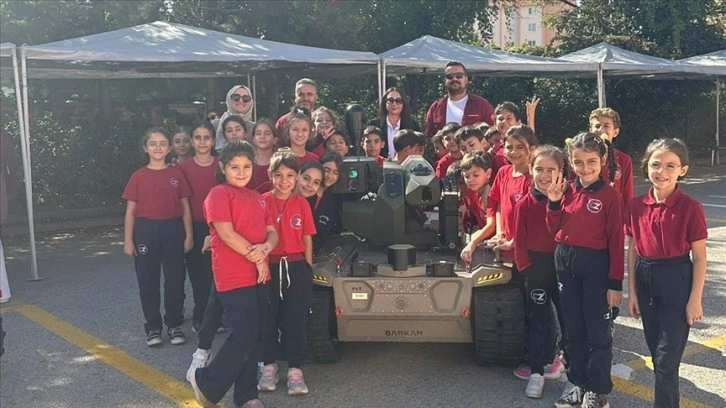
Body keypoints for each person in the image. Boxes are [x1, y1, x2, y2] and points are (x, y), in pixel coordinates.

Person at [189, 140, 278, 408]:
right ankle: (206, 381)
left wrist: (265, 249)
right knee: (244, 334)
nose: (241, 172)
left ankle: (247, 395)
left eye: (246, 166)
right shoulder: (218, 194)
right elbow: (226, 234)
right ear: (223, 168)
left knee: (256, 336)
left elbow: (272, 232)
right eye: (235, 167)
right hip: (233, 275)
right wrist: (258, 258)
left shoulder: (258, 198)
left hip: (259, 276)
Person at [626, 138, 707, 408]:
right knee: (656, 355)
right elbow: (633, 249)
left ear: (683, 170)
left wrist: (695, 299)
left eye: (670, 166)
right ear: (646, 166)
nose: (662, 171)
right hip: (646, 278)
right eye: (656, 164)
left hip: (677, 279)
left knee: (666, 360)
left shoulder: (690, 207)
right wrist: (632, 292)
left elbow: (699, 256)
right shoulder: (635, 205)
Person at [546, 132, 624, 408]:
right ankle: (577, 382)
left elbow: (616, 242)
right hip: (565, 261)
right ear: (570, 161)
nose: (585, 168)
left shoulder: (610, 196)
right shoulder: (565, 189)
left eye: (591, 161)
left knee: (598, 332)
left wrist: (615, 284)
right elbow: (553, 228)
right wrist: (553, 202)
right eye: (578, 162)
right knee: (572, 329)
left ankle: (597, 390)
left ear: (602, 160)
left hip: (596, 266)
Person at [122, 128, 193, 347]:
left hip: (172, 228)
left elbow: (185, 207)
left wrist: (189, 235)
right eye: (153, 144)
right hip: (146, 230)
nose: (158, 148)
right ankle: (153, 327)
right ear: (146, 148)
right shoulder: (138, 176)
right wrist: (128, 240)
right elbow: (130, 211)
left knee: (175, 280)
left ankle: (174, 324)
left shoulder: (176, 174)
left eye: (162, 143)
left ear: (169, 147)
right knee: (147, 280)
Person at [513, 145, 569, 398]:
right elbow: (519, 239)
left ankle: (573, 372)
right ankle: (536, 372)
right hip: (537, 268)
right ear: (530, 170)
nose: (545, 175)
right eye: (539, 169)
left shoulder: (568, 199)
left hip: (563, 267)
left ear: (561, 172)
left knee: (569, 322)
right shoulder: (525, 203)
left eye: (551, 170)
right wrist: (526, 267)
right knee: (537, 321)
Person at [258, 150, 316, 396]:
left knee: (296, 319)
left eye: (290, 175)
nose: (284, 181)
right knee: (267, 317)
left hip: (295, 266)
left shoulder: (302, 203)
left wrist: (307, 267)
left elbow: (307, 238)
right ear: (270, 175)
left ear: (297, 177)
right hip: (268, 266)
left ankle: (295, 369)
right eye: (279, 175)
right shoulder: (262, 201)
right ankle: (269, 365)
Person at [178, 122, 218, 333]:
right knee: (198, 275)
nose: (202, 142)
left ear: (213, 141)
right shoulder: (183, 168)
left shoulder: (221, 165)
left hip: (219, 226)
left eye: (207, 137)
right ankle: (200, 314)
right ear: (192, 142)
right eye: (198, 138)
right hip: (194, 226)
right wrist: (187, 234)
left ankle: (217, 315)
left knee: (217, 274)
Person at [424, 61, 494, 138]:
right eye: (450, 76)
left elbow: (493, 133)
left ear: (466, 79)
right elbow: (429, 137)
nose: (454, 79)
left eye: (459, 75)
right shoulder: (435, 108)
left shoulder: (482, 105)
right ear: (445, 81)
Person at [589, 107, 634, 205]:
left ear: (615, 132)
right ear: (590, 131)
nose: (601, 130)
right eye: (597, 126)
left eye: (606, 126)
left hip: (615, 211)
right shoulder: (581, 158)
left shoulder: (624, 160)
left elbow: (627, 195)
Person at [369, 87, 420, 159]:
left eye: (398, 101)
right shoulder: (374, 125)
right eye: (390, 100)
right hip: (380, 164)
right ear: (385, 103)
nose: (394, 104)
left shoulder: (413, 126)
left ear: (404, 103)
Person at [311, 152, 344, 255]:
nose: (330, 176)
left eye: (335, 172)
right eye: (326, 170)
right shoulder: (307, 192)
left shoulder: (332, 201)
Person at [215, 85, 255, 151]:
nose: (241, 101)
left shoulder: (254, 128)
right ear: (229, 99)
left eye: (246, 98)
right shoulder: (215, 125)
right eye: (236, 97)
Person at [248, 119, 278, 192]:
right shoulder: (246, 161)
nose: (262, 137)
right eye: (258, 133)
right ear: (254, 139)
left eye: (267, 134)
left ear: (275, 140)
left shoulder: (280, 163)